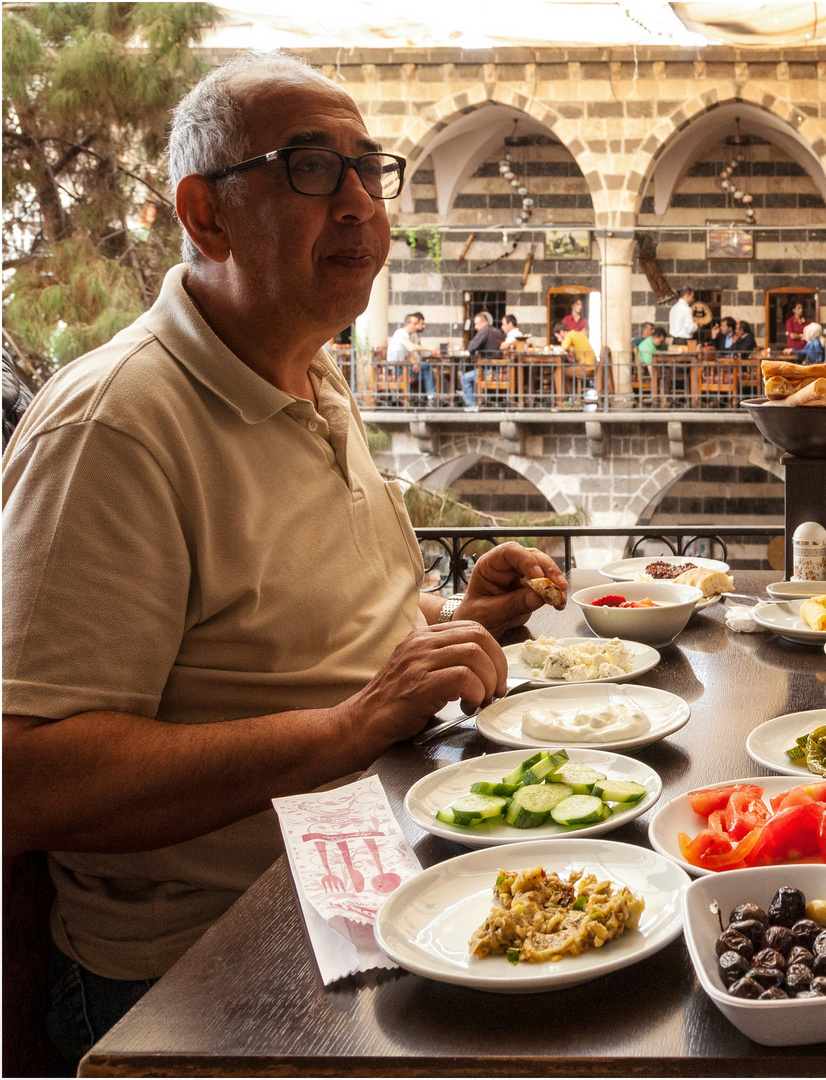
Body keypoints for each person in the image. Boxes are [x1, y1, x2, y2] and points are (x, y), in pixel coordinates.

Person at [1, 50, 570, 1061]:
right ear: (204, 213)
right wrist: (350, 727)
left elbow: (289, 646)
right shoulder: (116, 425)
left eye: (368, 167)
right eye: (311, 168)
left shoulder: (309, 375)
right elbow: (25, 780)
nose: (358, 202)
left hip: (373, 887)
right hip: (201, 972)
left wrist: (456, 622)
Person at [387, 310, 433, 405]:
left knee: (425, 368)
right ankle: (431, 397)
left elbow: (408, 354)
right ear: (407, 323)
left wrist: (414, 363)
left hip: (402, 367)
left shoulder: (405, 334)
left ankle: (427, 397)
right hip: (397, 369)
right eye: (414, 324)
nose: (416, 326)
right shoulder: (401, 333)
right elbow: (411, 347)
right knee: (426, 368)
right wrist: (430, 348)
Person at [460, 310, 503, 410]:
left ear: (484, 322)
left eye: (476, 324)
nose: (475, 327)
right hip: (498, 369)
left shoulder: (485, 330)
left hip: (489, 370)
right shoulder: (497, 331)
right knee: (474, 377)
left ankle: (471, 404)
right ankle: (476, 402)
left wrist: (473, 352)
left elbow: (471, 347)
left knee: (464, 378)